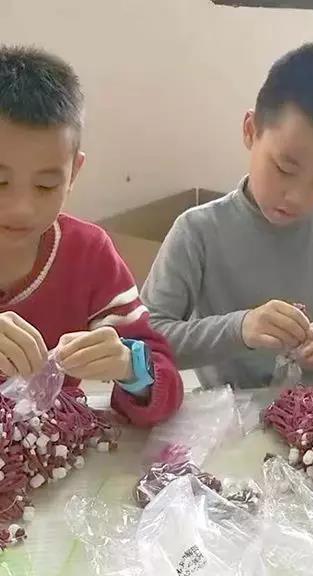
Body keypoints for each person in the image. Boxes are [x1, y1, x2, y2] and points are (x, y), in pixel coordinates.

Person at [142, 42, 313, 388]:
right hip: (228, 410)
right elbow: (146, 341)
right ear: (251, 130)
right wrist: (239, 329)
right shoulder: (198, 231)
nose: (298, 197)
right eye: (284, 169)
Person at [0, 46, 182, 425]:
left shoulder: (88, 255)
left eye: (46, 186)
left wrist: (129, 366)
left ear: (73, 173)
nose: (21, 208)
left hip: (50, 444)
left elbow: (166, 384)